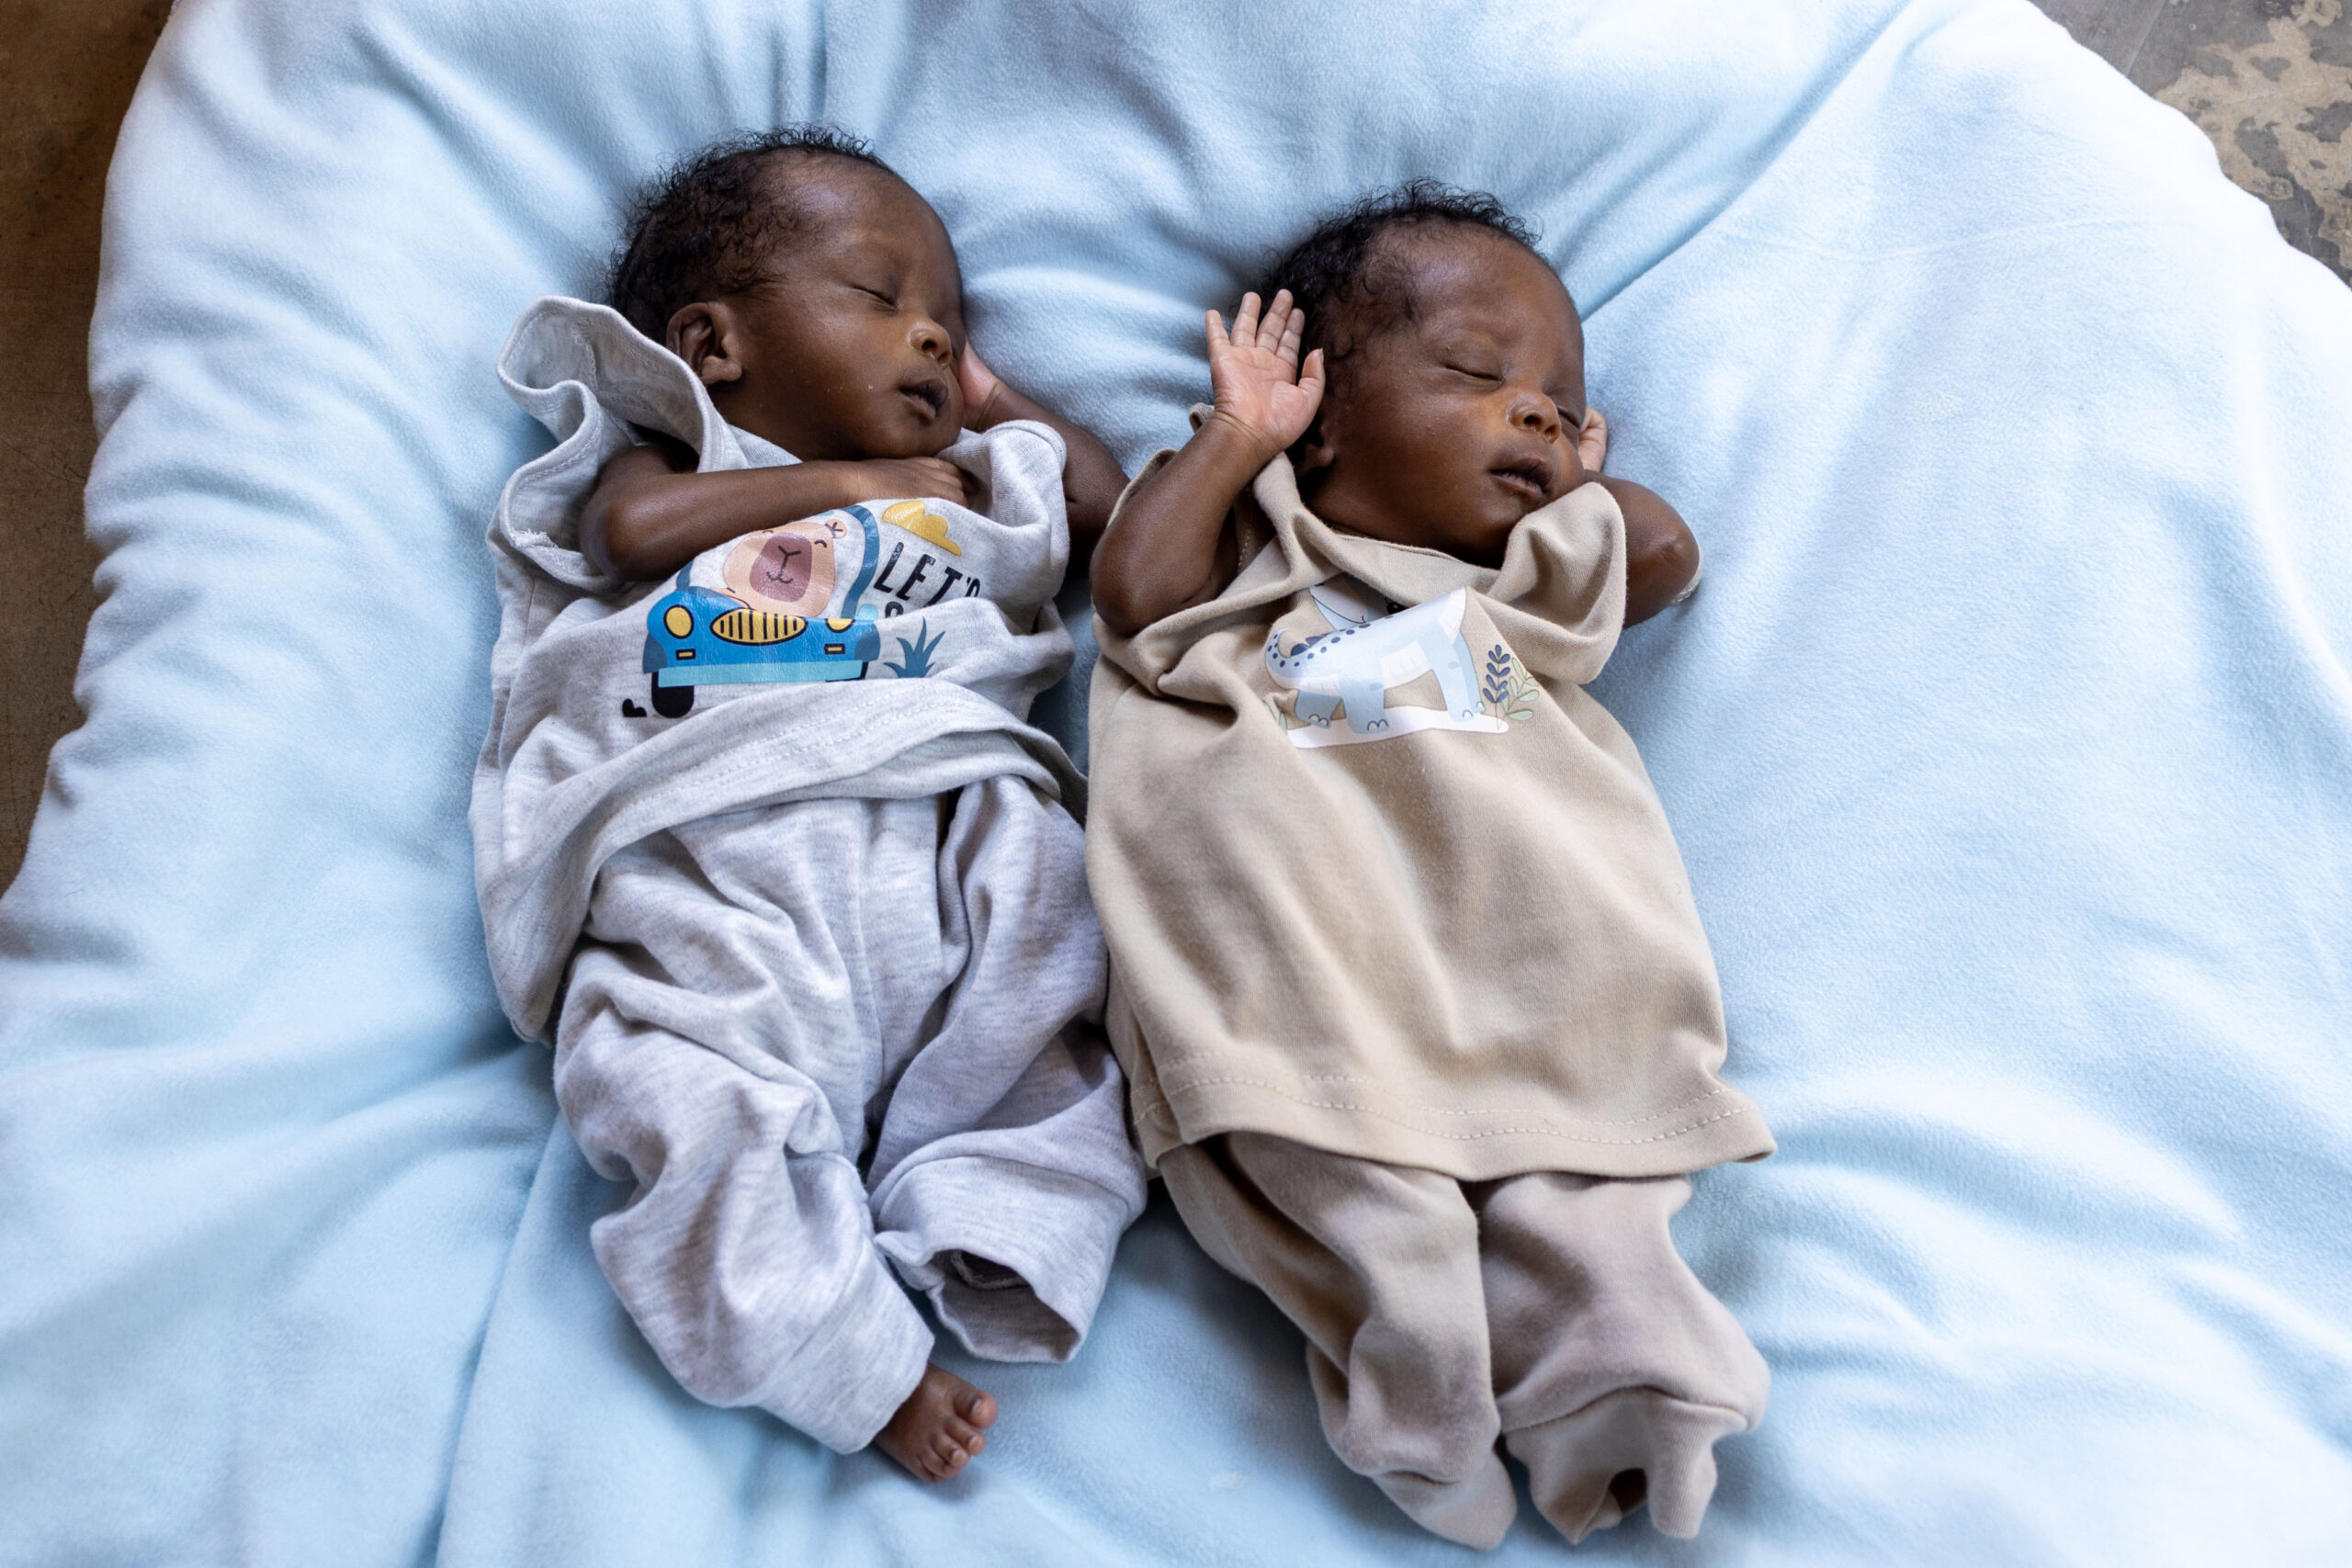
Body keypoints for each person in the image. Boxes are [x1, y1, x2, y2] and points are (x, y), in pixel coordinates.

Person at [1083, 182, 1773, 1547]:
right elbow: (1133, 604)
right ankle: (1421, 1416)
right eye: (1475, 373)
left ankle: (1631, 1420)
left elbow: (1664, 550)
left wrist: (1580, 476)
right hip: (1296, 982)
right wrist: (1235, 439)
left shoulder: (1520, 582)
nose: (1533, 410)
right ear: (1323, 409)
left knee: (1595, 1227)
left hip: (1536, 977)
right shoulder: (1240, 540)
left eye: (1560, 400)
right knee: (1373, 1236)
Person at [470, 127, 1144, 1485]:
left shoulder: (975, 481)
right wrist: (845, 486)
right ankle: (838, 1354)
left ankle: (989, 1217)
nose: (929, 344)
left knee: (1075, 1015)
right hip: (730, 841)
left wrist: (989, 394)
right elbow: (628, 545)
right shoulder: (672, 451)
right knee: (691, 1095)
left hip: (956, 820)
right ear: (715, 344)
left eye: (949, 323)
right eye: (883, 299)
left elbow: (1110, 508)